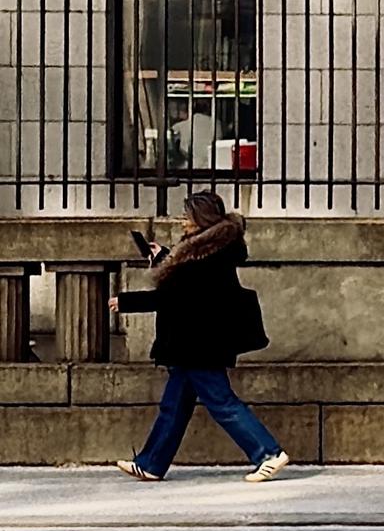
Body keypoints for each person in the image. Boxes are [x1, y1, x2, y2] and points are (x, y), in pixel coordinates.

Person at [113, 191, 289, 483]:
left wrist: (126, 302)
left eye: (187, 216)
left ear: (200, 219)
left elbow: (175, 296)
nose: (183, 221)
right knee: (174, 406)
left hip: (199, 343)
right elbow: (185, 281)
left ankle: (268, 453)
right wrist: (165, 258)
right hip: (193, 342)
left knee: (222, 402)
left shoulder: (208, 255)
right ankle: (152, 463)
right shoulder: (208, 250)